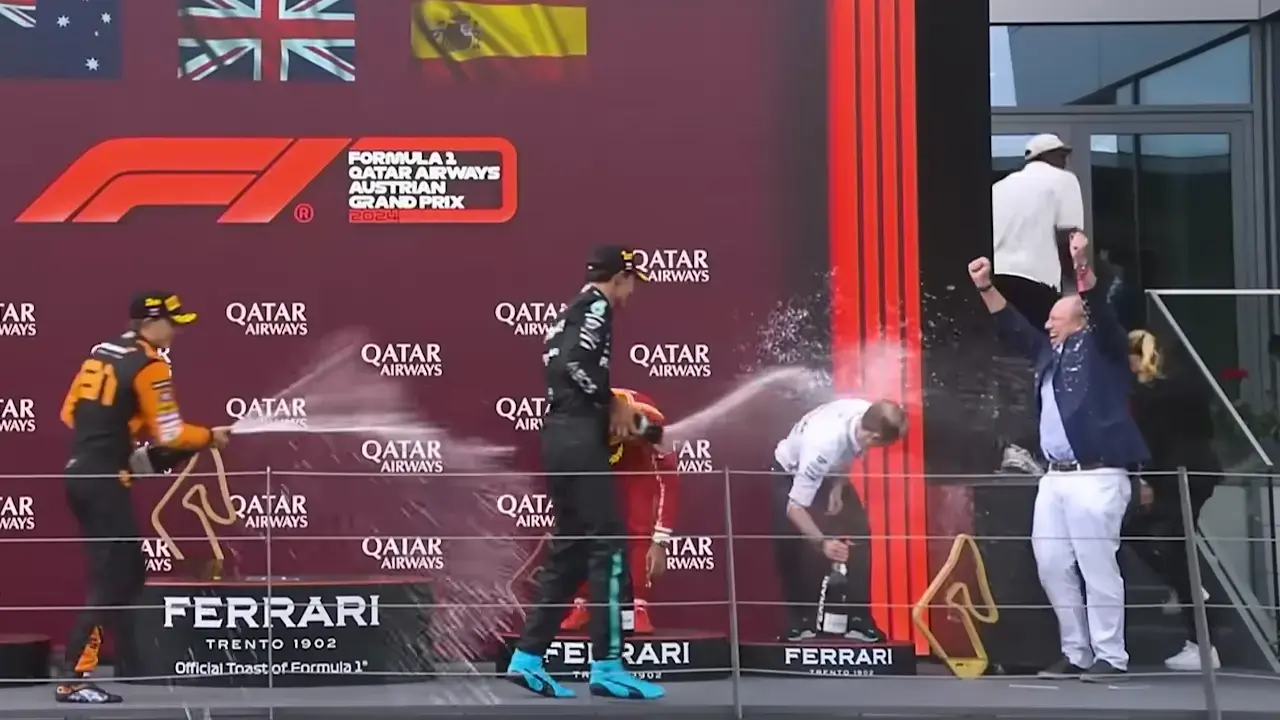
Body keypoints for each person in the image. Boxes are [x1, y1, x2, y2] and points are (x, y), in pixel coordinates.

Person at [968, 232, 1149, 682]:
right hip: (1055, 477)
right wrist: (987, 288)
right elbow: (1014, 328)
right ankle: (1077, 652)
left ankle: (1112, 655)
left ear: (1079, 319)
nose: (1047, 324)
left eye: (1055, 317)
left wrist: (1082, 265)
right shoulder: (1050, 354)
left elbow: (1103, 314)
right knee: (1050, 563)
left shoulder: (1103, 347)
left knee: (1096, 565)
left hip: (1097, 473)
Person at [506, 246, 665, 701]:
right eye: (632, 282)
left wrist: (627, 420)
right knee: (609, 548)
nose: (633, 292)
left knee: (570, 550)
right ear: (620, 277)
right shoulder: (595, 306)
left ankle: (528, 657)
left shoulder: (570, 311)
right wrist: (612, 400)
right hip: (577, 437)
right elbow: (572, 364)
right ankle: (608, 667)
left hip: (561, 436)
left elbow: (569, 369)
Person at [55, 292, 231, 704]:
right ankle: (75, 678)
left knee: (127, 570)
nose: (177, 330)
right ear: (150, 323)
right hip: (105, 479)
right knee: (114, 576)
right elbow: (170, 432)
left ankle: (122, 658)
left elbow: (69, 413)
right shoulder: (150, 365)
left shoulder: (102, 354)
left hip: (82, 472)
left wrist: (122, 434)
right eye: (173, 322)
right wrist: (209, 437)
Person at [1124, 329, 1222, 671]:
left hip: (1176, 475)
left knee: (1156, 538)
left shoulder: (1153, 394)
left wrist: (1148, 479)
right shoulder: (1185, 386)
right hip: (1197, 471)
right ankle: (1184, 589)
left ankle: (1201, 640)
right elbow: (1205, 429)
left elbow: (1155, 440)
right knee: (1167, 541)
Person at [770, 398, 906, 642]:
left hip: (829, 473)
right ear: (874, 437)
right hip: (790, 473)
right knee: (796, 543)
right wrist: (823, 543)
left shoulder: (866, 413)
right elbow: (795, 507)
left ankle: (858, 620)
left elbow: (850, 452)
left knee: (859, 533)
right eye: (881, 445)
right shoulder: (821, 448)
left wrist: (838, 486)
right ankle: (800, 622)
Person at [992, 133, 1085, 474]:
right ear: (1055, 157)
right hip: (1035, 281)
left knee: (1005, 364)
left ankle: (1008, 446)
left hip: (997, 281)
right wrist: (1076, 290)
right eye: (1064, 156)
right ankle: (1027, 446)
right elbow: (1069, 237)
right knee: (1043, 365)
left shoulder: (999, 187)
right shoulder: (1062, 180)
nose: (1066, 162)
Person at [561, 388, 680, 635]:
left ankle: (639, 607)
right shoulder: (577, 423)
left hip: (637, 462)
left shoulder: (651, 421)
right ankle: (583, 603)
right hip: (594, 463)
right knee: (585, 526)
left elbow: (668, 481)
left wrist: (660, 540)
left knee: (639, 526)